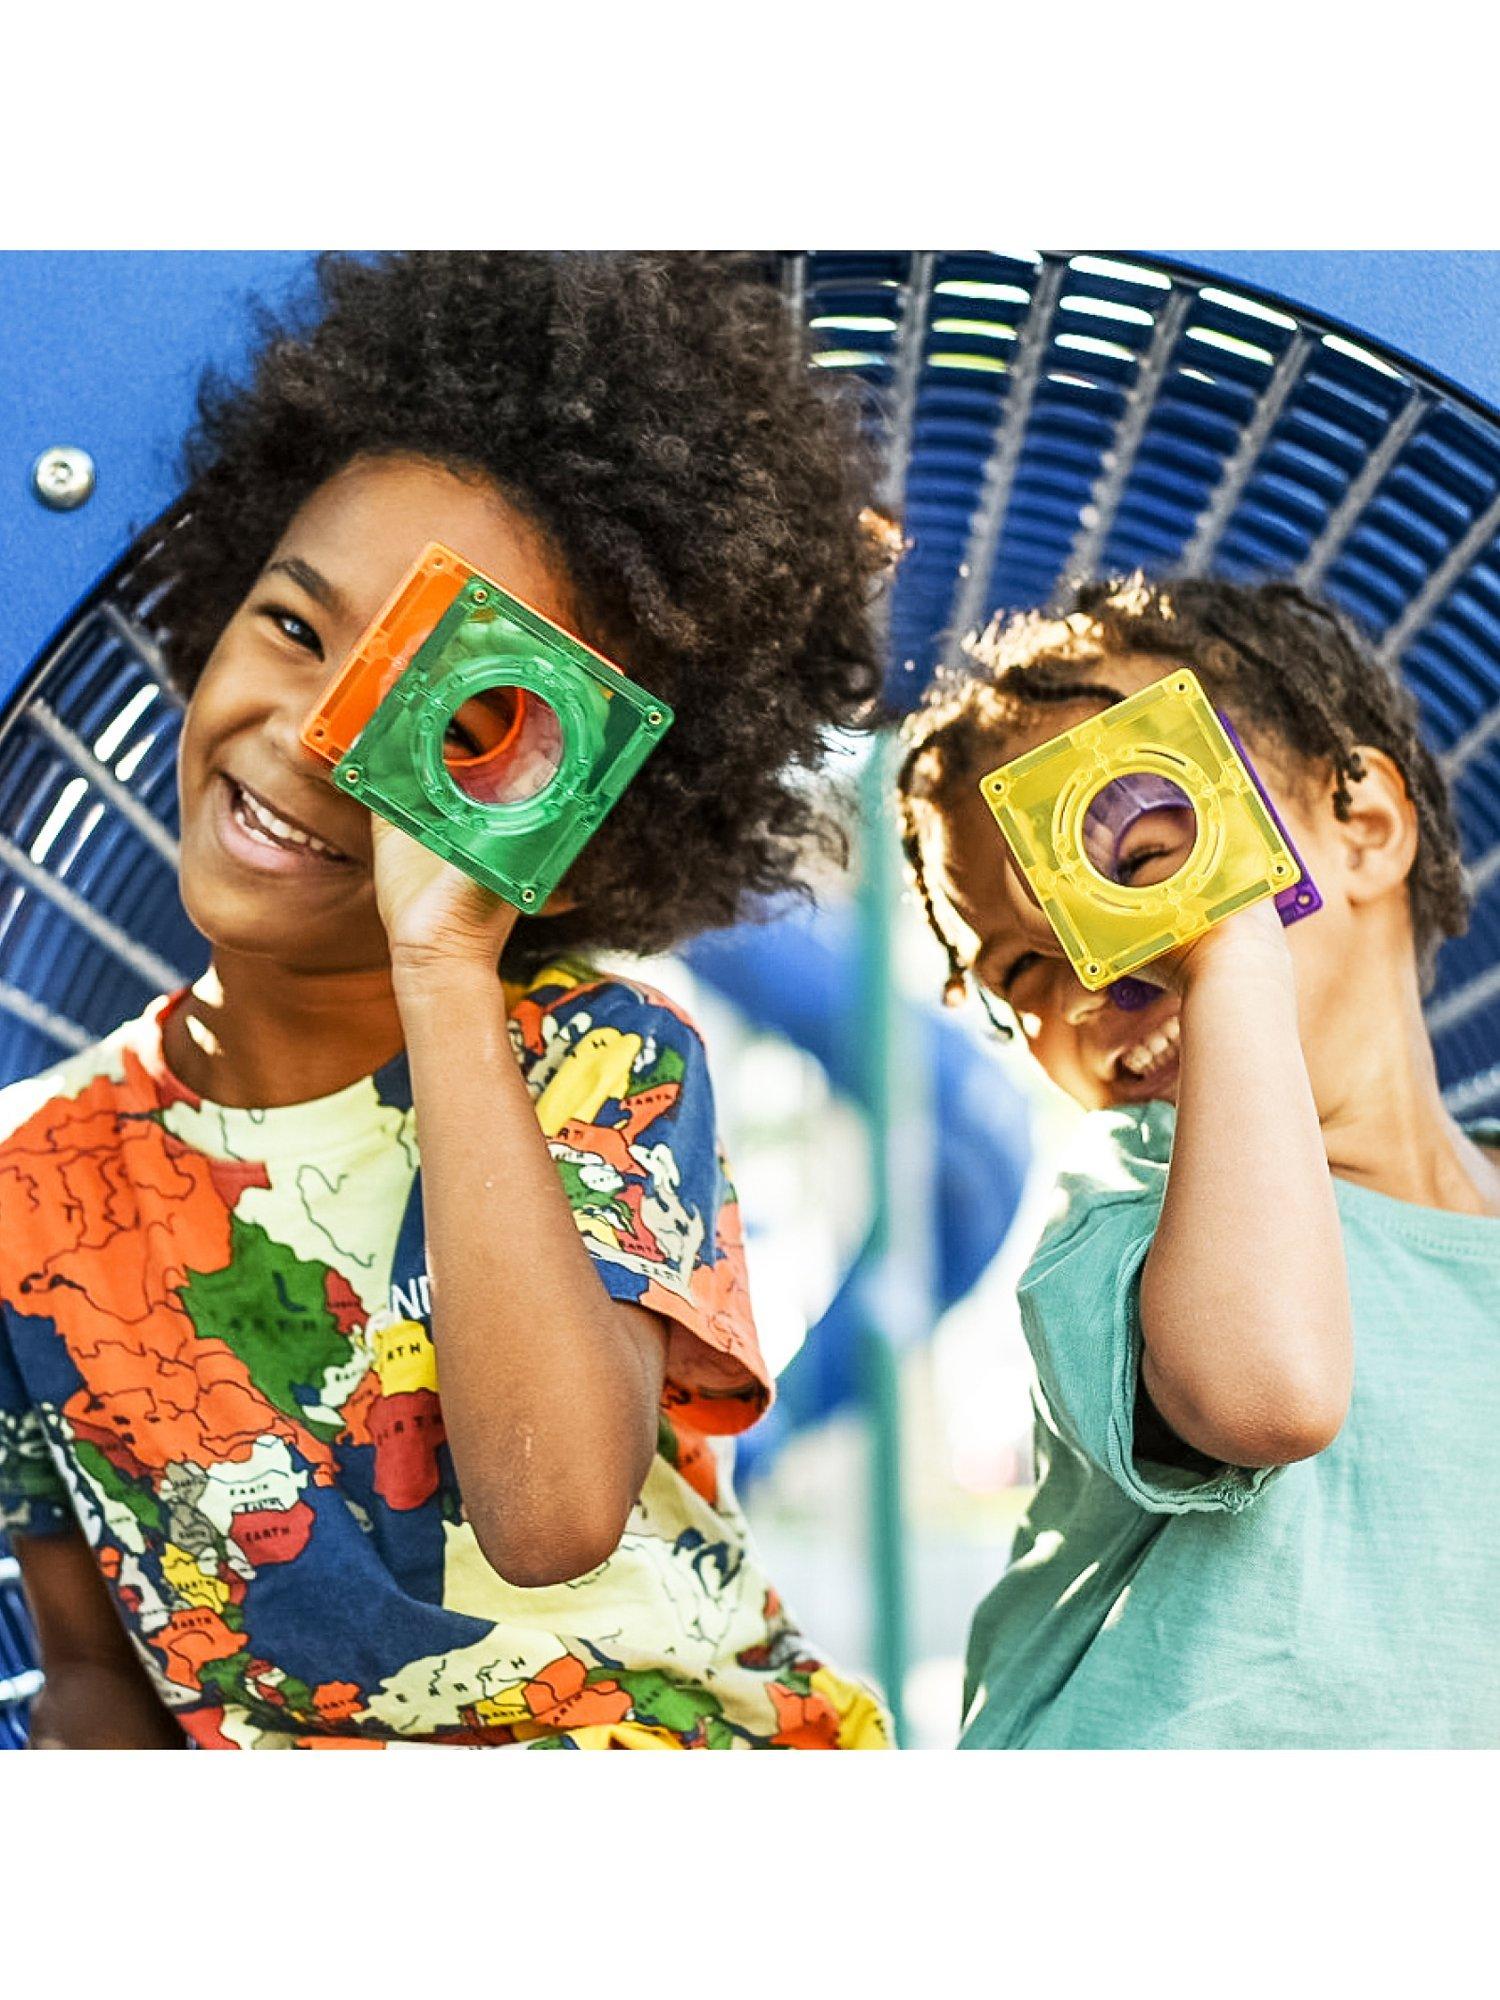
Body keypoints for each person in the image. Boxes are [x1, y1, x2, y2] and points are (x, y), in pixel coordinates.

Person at [0, 251, 892, 1750]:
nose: (316, 737)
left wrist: (442, 964)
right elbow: (94, 1668)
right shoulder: (28, 1183)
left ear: (576, 833)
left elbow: (551, 1513)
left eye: (457, 726)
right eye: (295, 627)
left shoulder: (600, 1062)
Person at [897, 574, 1500, 1748]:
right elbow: (1263, 1393)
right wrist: (1231, 951)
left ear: (1366, 825)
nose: (1095, 974)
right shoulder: (1136, 1190)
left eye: (1140, 860)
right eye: (1021, 970)